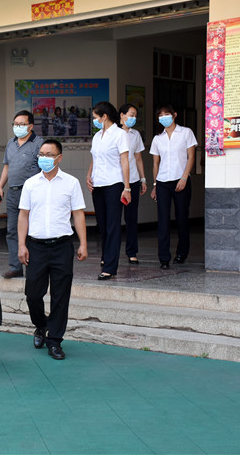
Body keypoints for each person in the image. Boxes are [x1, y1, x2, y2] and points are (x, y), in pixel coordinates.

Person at [18, 139, 88, 359]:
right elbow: (23, 215)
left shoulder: (71, 183)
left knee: (60, 296)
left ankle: (55, 340)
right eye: (41, 154)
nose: (44, 158)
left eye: (49, 155)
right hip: (36, 247)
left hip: (62, 246)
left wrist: (83, 243)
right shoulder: (31, 184)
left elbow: (78, 214)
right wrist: (21, 244)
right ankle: (41, 325)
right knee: (32, 294)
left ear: (59, 158)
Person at [0, 110, 45, 279]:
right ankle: (15, 266)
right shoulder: (11, 143)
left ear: (30, 126)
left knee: (32, 230)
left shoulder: (39, 144)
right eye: (15, 124)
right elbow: (7, 167)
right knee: (12, 230)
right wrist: (0, 187)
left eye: (22, 124)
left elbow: (45, 168)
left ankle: (33, 265)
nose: (18, 127)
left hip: (31, 193)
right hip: (13, 192)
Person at [86, 102, 131, 280]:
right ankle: (106, 257)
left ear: (104, 117)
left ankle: (110, 267)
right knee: (103, 225)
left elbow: (125, 161)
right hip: (98, 184)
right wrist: (89, 175)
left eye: (96, 117)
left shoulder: (120, 135)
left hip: (114, 184)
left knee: (113, 226)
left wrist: (127, 187)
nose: (94, 120)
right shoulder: (97, 136)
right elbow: (94, 158)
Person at [149, 104, 197, 269]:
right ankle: (164, 258)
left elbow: (191, 157)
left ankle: (182, 253)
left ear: (174, 115)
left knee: (182, 218)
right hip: (163, 182)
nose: (164, 118)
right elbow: (155, 164)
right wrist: (155, 185)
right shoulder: (158, 138)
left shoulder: (186, 133)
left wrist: (184, 178)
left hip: (181, 180)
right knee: (163, 219)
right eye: (160, 115)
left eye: (167, 114)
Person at [118, 103, 147, 264]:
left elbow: (138, 159)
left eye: (135, 115)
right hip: (116, 181)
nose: (133, 118)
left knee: (131, 218)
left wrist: (143, 179)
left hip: (133, 180)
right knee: (113, 219)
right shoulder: (113, 133)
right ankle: (109, 254)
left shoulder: (136, 135)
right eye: (131, 115)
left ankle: (132, 252)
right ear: (122, 115)